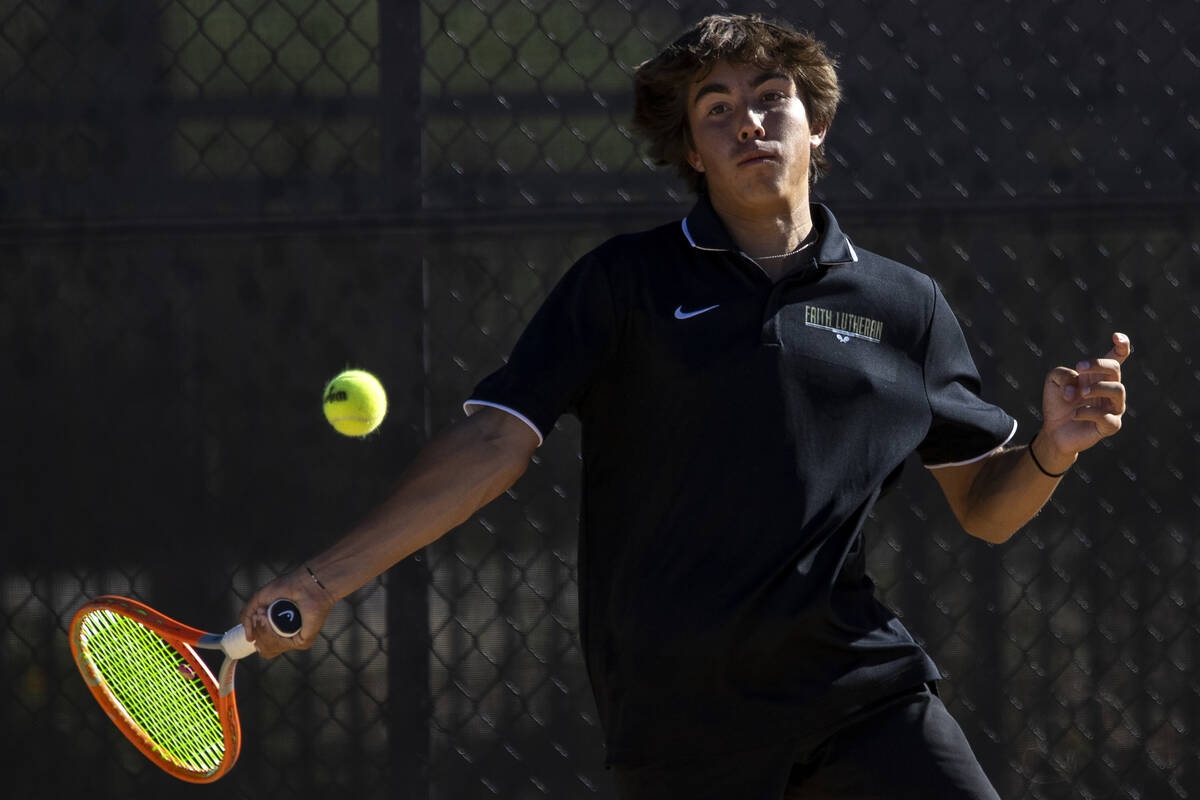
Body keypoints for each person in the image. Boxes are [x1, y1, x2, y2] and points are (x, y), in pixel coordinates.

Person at [240, 14, 1130, 799]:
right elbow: (492, 445)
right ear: (692, 151)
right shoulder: (622, 284)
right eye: (717, 108)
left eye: (771, 98)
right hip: (679, 724)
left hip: (861, 695)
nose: (748, 120)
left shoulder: (905, 307)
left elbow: (987, 507)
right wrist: (321, 583)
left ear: (815, 127)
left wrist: (1052, 446)